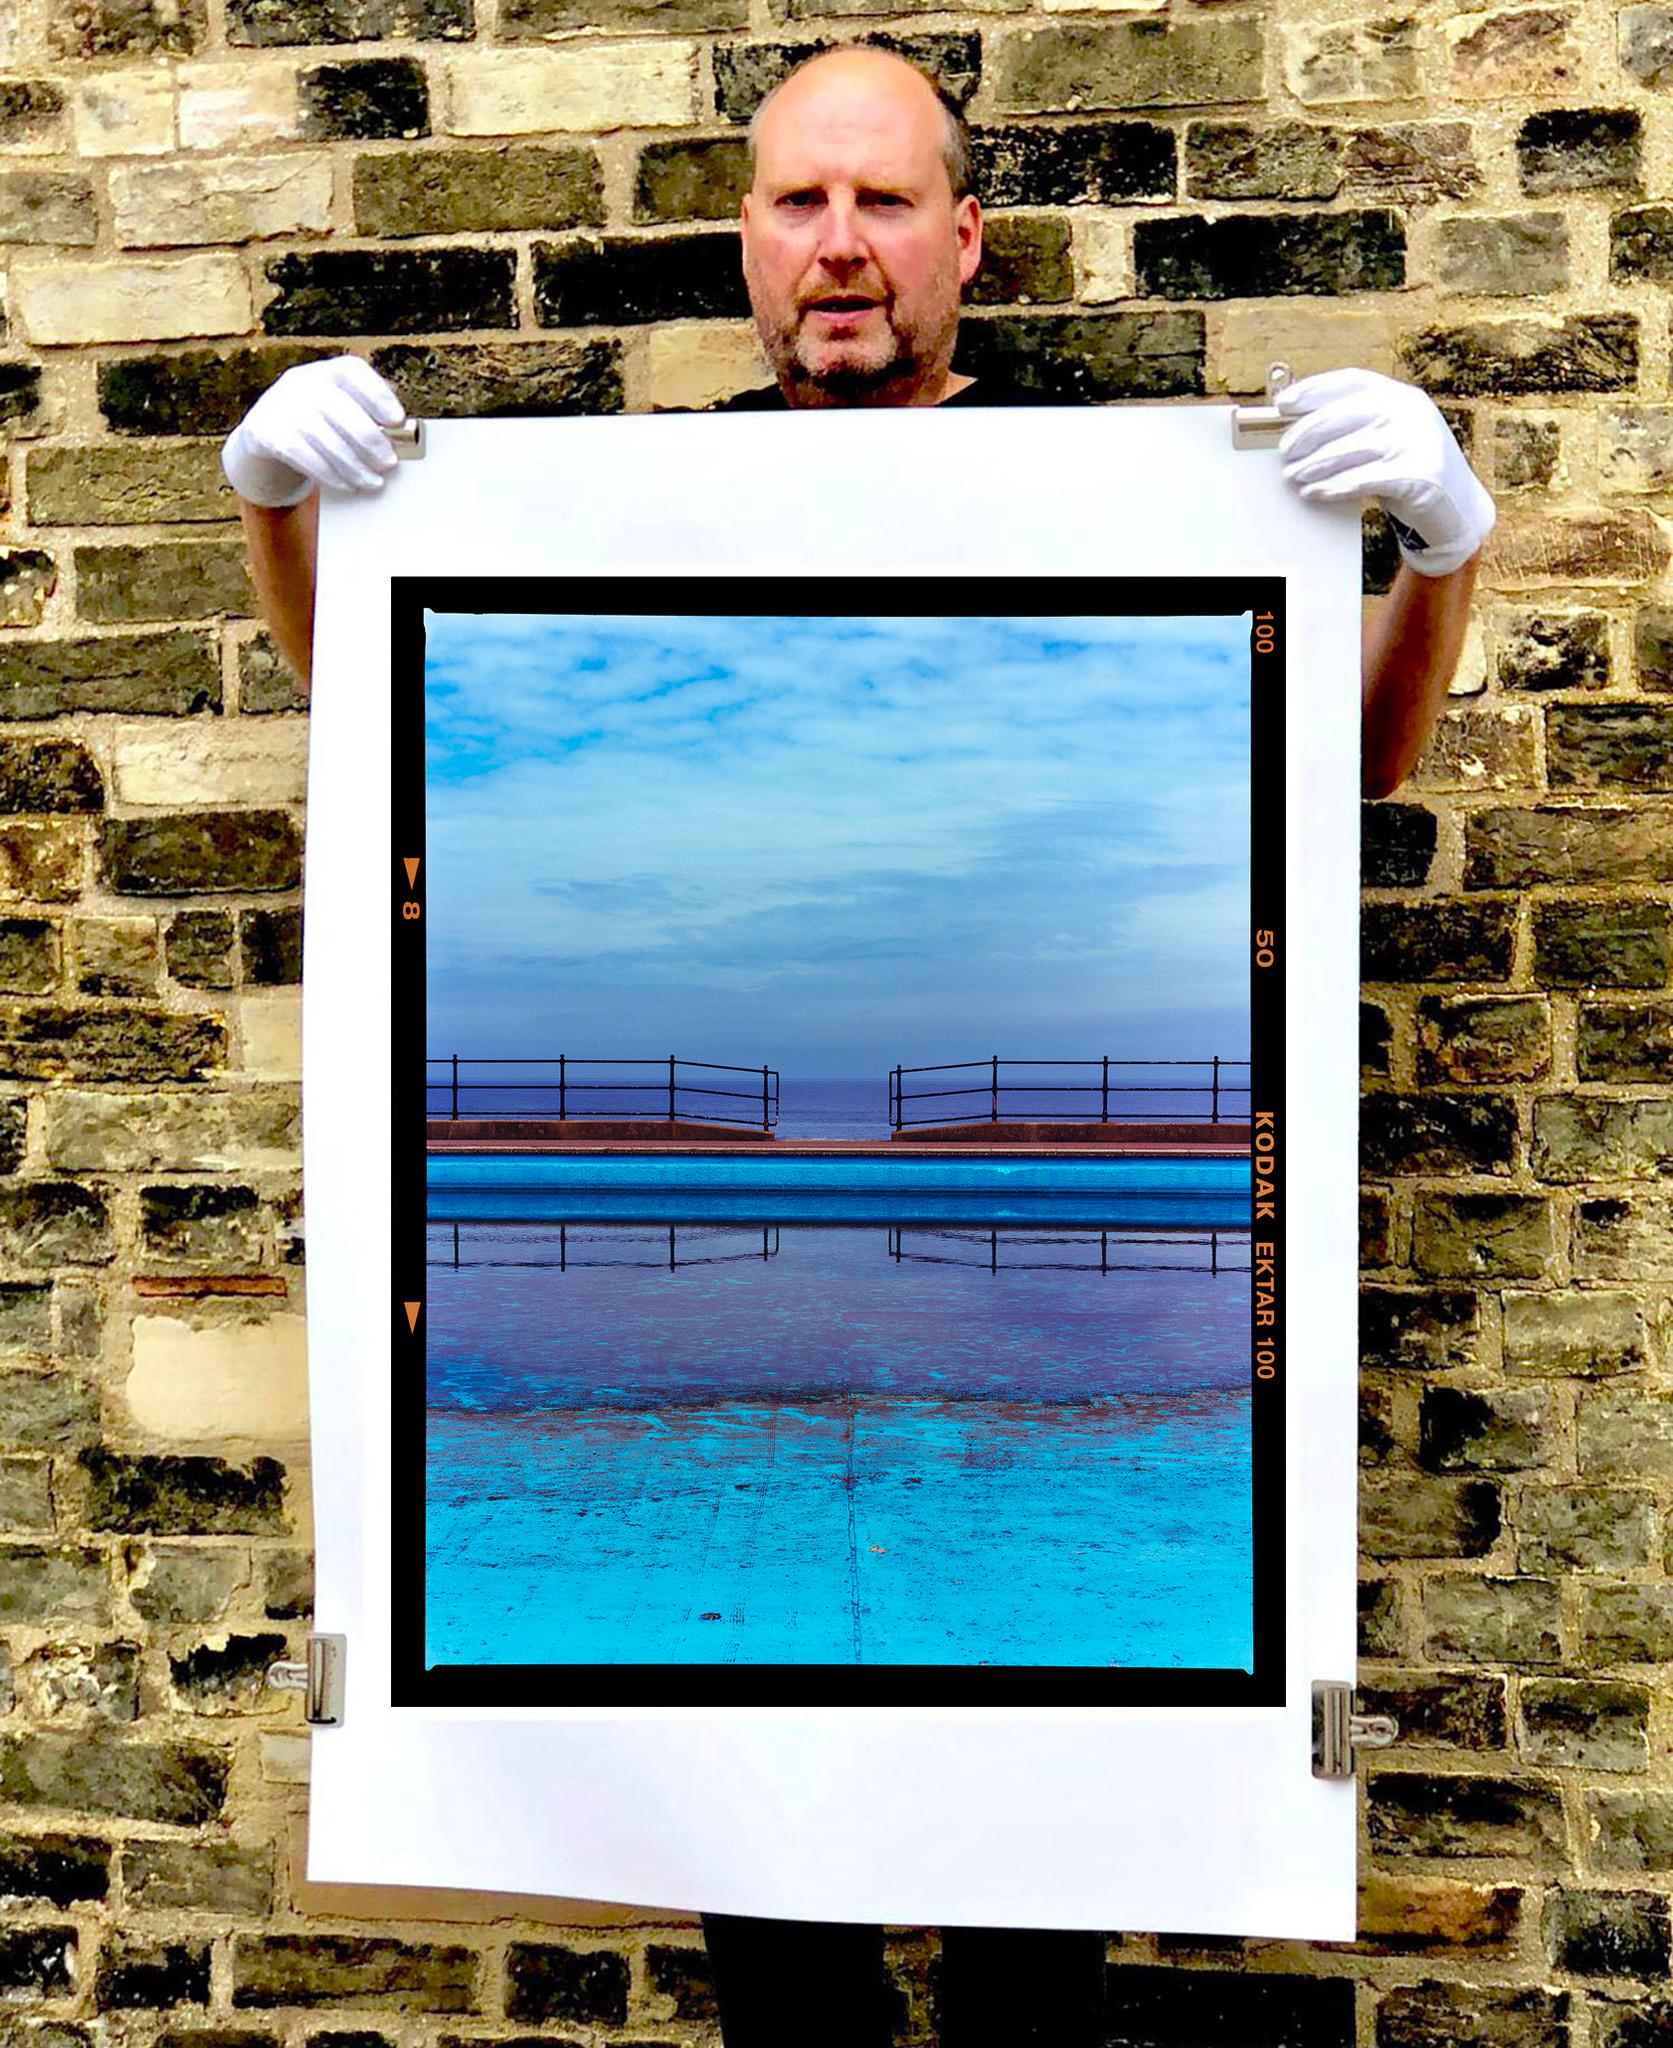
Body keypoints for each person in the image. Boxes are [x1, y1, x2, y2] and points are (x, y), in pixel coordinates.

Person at [222, 41, 1496, 2047]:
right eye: (799, 203)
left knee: (1031, 1977)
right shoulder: (630, 512)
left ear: (964, 240)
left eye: (883, 203)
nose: (839, 248)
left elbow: (1352, 765)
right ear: (746, 240)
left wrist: (1443, 547)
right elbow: (375, 725)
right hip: (780, 1479)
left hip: (1076, 1431)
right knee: (782, 1984)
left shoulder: (1127, 503)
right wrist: (289, 521)